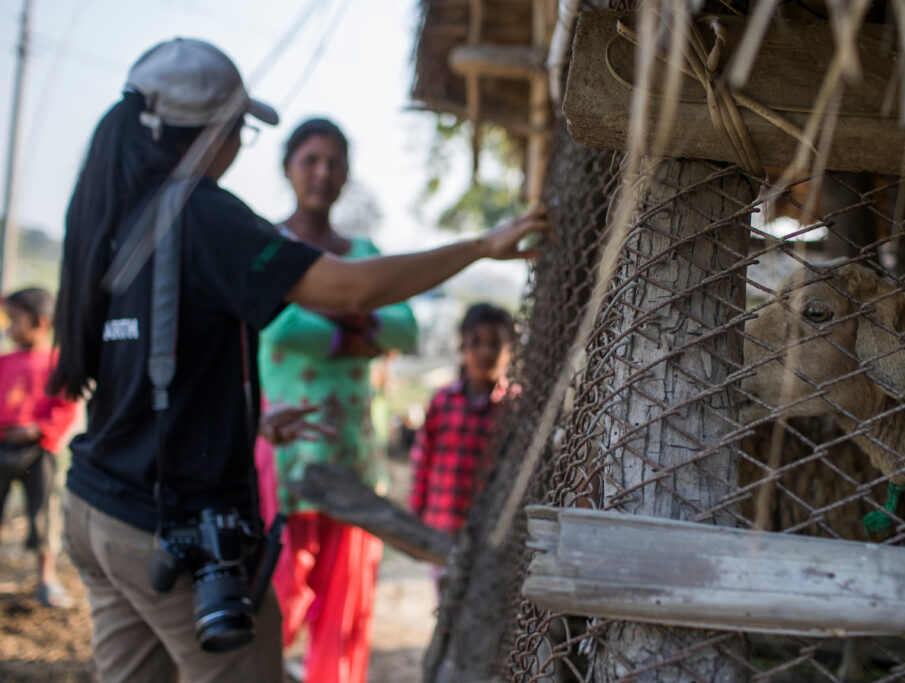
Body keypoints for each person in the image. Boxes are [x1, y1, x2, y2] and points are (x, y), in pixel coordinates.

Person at [48, 37, 548, 683]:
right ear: (215, 134)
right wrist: (481, 244)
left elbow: (140, 375)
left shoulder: (119, 214)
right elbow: (353, 289)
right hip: (172, 527)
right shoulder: (201, 215)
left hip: (96, 510)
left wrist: (248, 419)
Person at [255, 118, 419, 683]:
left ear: (347, 173)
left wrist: (328, 314)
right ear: (287, 167)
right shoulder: (265, 244)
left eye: (334, 161)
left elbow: (406, 330)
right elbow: (279, 329)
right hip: (284, 452)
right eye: (311, 160)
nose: (323, 173)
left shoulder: (365, 250)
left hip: (354, 451)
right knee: (276, 592)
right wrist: (355, 321)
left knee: (347, 601)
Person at [408, 303, 515, 544]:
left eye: (494, 344)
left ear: (510, 350)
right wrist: (416, 509)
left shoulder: (513, 407)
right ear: (462, 347)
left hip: (491, 528)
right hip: (442, 523)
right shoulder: (443, 400)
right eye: (476, 343)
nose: (485, 352)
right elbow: (422, 457)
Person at [0, 288, 78, 608]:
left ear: (41, 322)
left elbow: (67, 408)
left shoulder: (58, 364)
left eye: (15, 319)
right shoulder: (5, 361)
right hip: (2, 446)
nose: (9, 326)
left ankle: (45, 579)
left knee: (42, 516)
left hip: (39, 452)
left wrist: (39, 429)